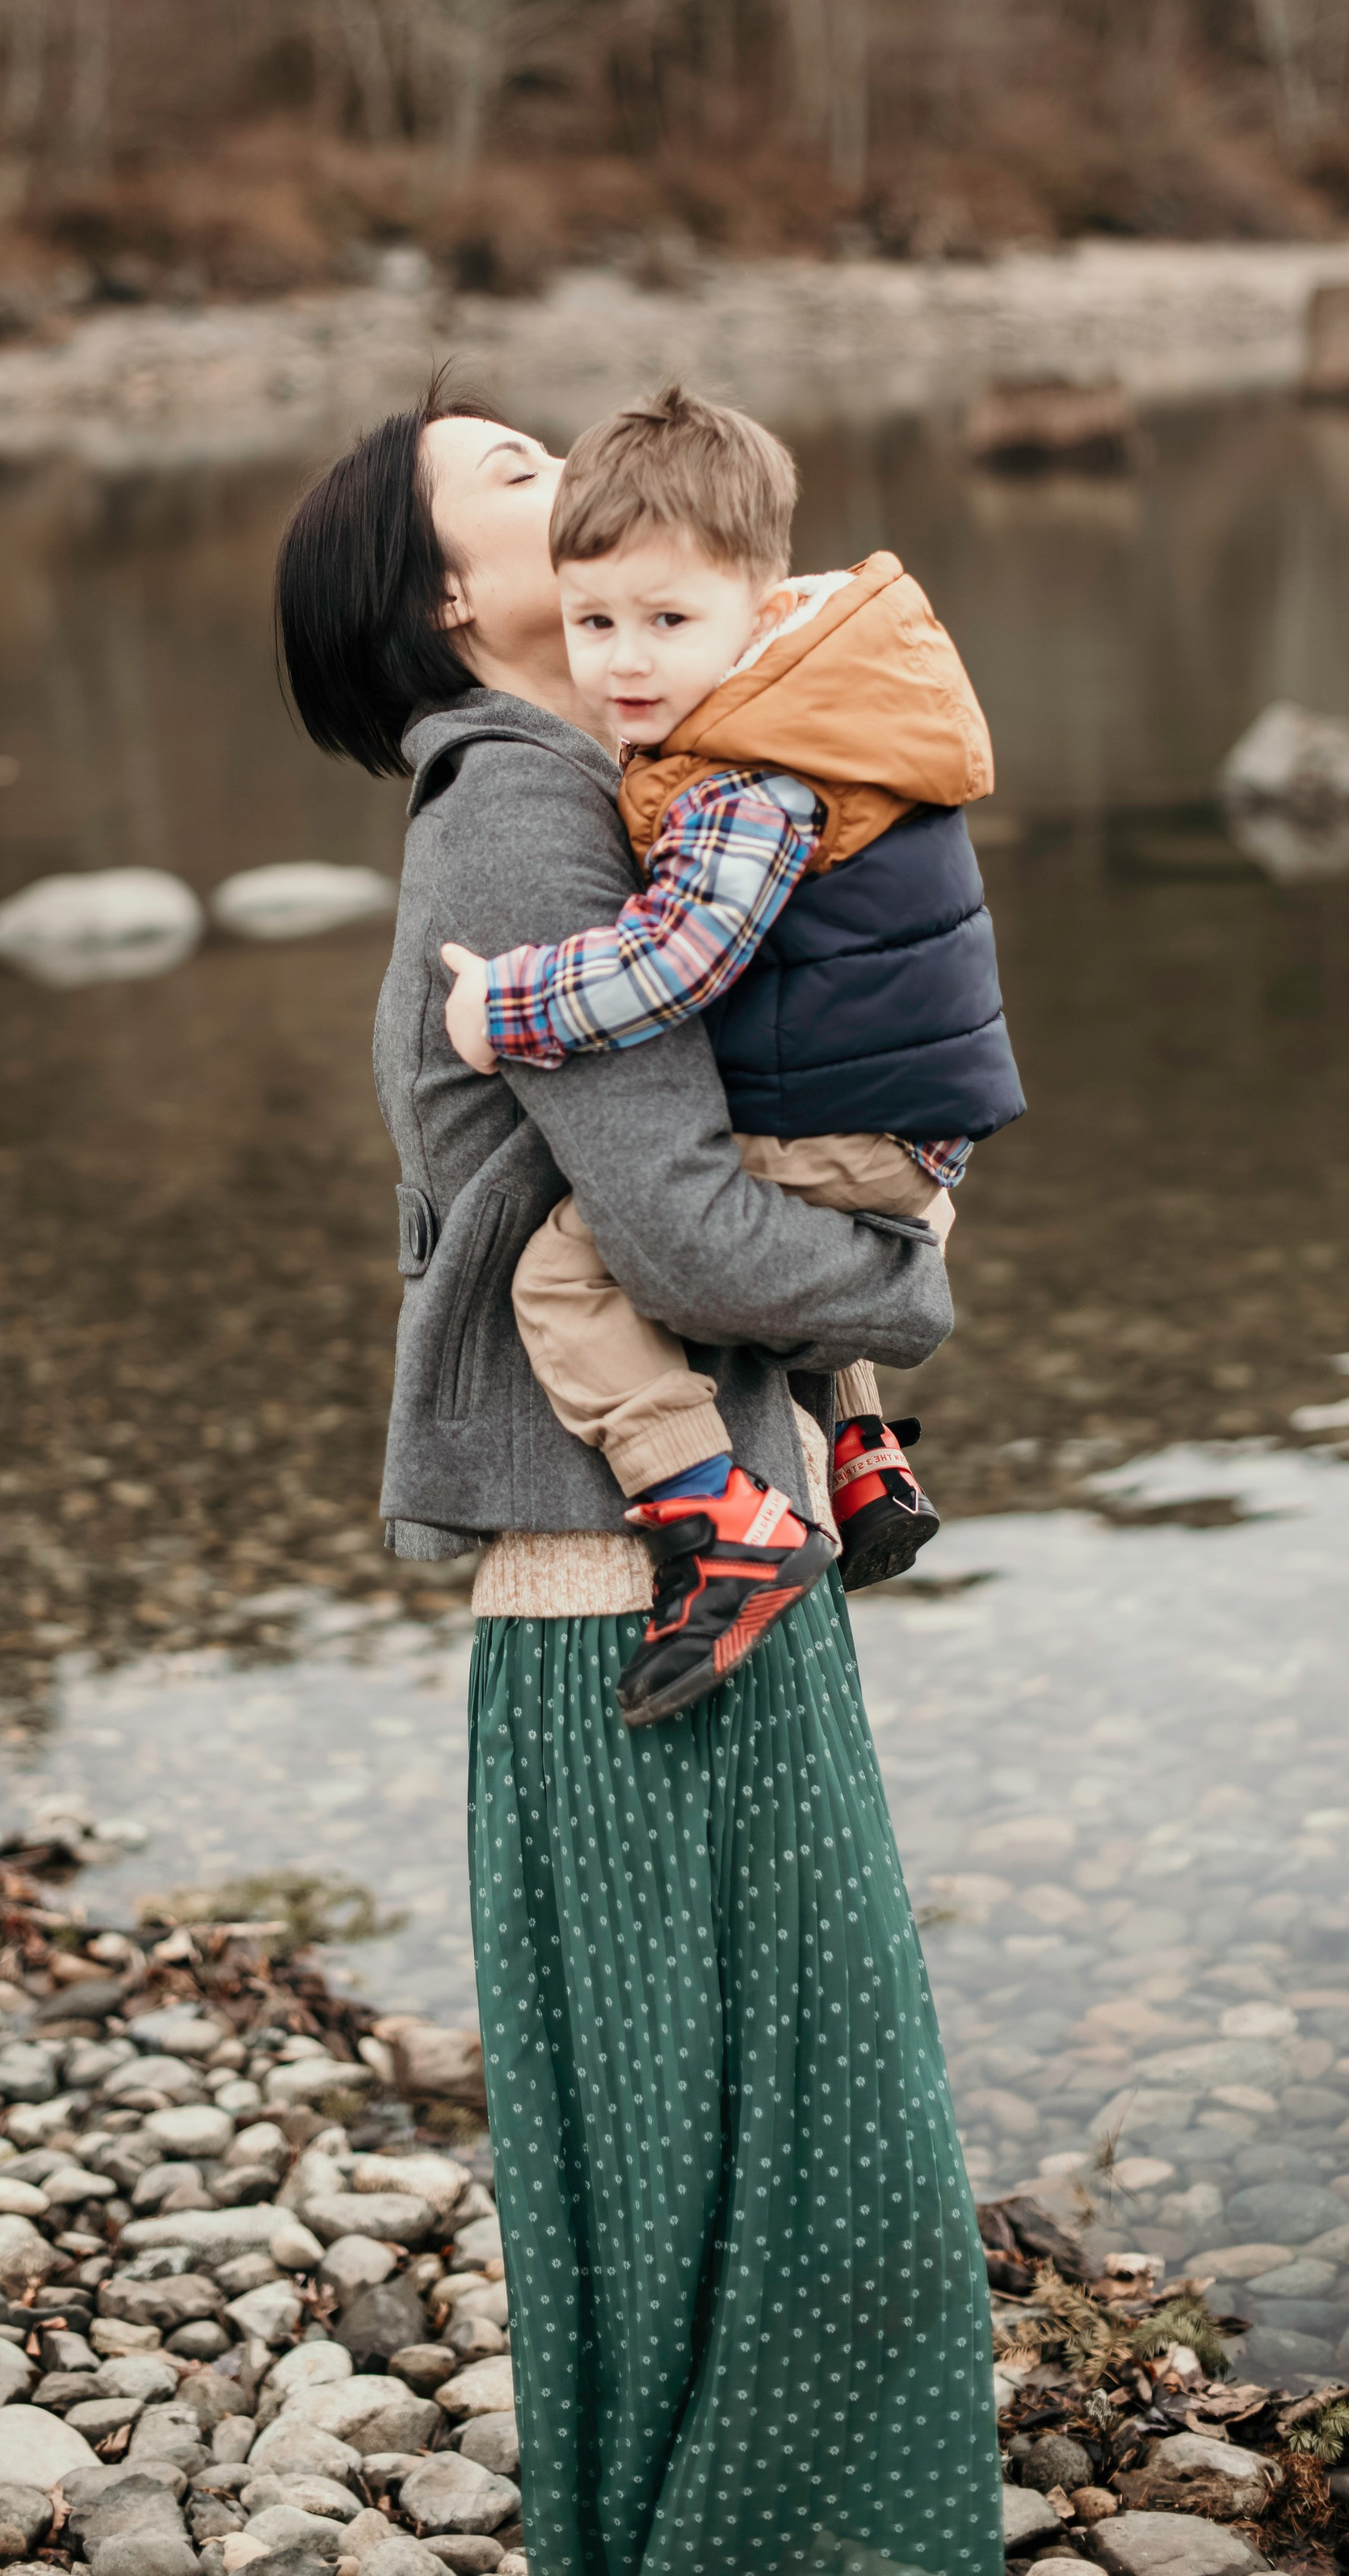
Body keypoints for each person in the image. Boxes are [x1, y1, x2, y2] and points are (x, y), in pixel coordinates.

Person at [275, 378, 1001, 2576]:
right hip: (638, 1573)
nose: (566, 468)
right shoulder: (525, 817)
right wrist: (905, 1287)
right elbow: (677, 1235)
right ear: (452, 602)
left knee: (761, 2127)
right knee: (765, 2149)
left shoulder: (646, 778)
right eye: (511, 474)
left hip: (680, 1544)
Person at [434, 385, 1023, 1727]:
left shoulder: (742, 776)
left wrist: (507, 1007)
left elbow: (674, 963)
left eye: (665, 623)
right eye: (595, 623)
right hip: (891, 1107)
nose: (623, 661)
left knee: (565, 1274)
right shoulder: (807, 700)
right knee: (752, 1162)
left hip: (856, 1117)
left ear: (756, 607)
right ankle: (860, 1450)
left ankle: (718, 1515)